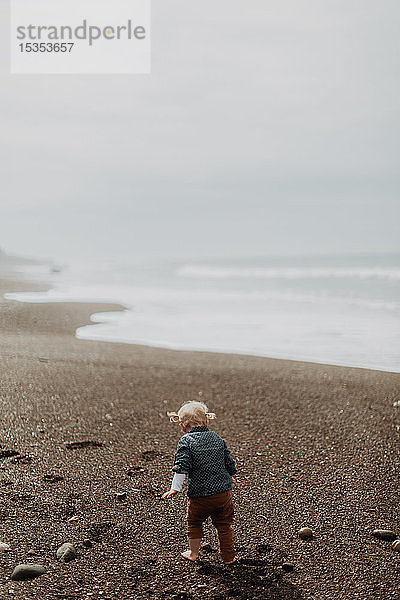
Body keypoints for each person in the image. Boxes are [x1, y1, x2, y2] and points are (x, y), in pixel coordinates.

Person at [161, 401, 237, 564]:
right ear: (207, 422)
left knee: (194, 522)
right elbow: (228, 459)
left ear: (182, 426)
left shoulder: (186, 441)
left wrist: (175, 488)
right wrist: (230, 474)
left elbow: (181, 467)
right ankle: (229, 557)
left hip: (200, 495)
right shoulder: (216, 437)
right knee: (224, 525)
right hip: (223, 493)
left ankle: (193, 553)